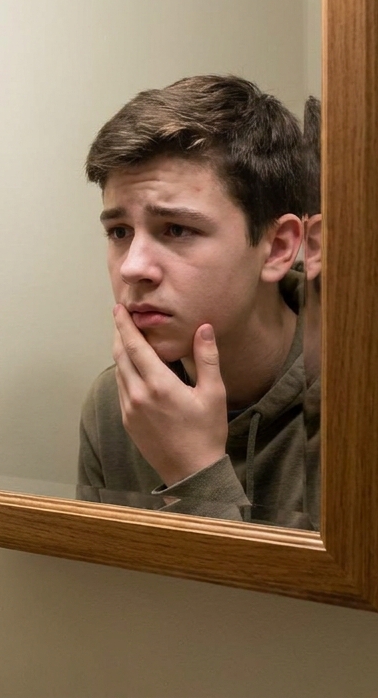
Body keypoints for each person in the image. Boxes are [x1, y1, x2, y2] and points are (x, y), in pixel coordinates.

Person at [75, 74, 319, 529]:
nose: (132, 267)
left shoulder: (356, 402)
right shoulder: (119, 403)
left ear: (279, 247)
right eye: (119, 232)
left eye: (177, 229)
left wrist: (194, 473)